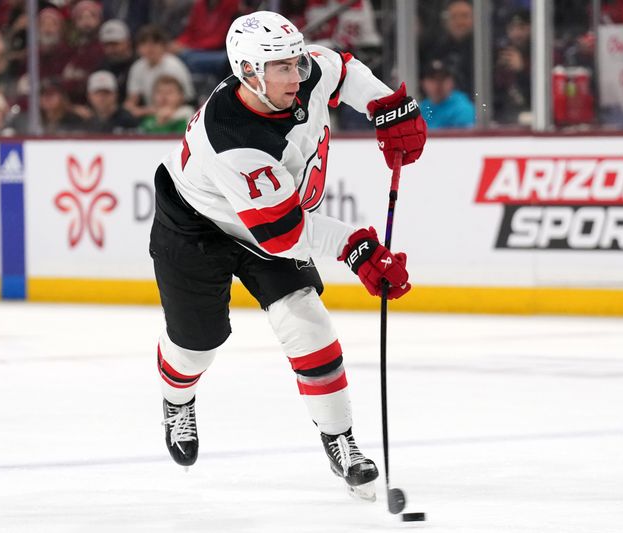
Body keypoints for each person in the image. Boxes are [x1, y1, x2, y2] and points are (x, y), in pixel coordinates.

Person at [149, 11, 426, 500]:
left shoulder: (306, 72)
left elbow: (343, 70)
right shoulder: (234, 138)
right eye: (282, 68)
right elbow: (283, 235)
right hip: (197, 226)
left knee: (308, 324)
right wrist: (356, 248)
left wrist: (390, 106)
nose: (296, 75)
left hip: (270, 219)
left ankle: (341, 440)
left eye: (296, 62)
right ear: (249, 73)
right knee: (197, 343)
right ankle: (177, 399)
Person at [125, 25, 195, 118]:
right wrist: (130, 109)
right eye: (144, 43)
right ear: (138, 48)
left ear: (163, 46)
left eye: (155, 43)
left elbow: (182, 101)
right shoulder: (137, 67)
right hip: (152, 112)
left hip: (177, 111)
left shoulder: (173, 66)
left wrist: (144, 111)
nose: (149, 48)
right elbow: (132, 101)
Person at [419, 59, 475, 129]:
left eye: (442, 78)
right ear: (423, 83)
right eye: (432, 79)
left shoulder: (463, 108)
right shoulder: (422, 107)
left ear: (452, 82)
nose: (438, 84)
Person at [98, 19, 135, 104]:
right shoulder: (103, 66)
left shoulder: (137, 64)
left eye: (115, 44)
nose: (110, 49)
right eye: (107, 45)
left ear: (127, 42)